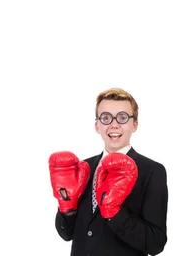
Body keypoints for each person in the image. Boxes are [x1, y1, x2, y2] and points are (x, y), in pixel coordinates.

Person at [48, 87, 168, 256]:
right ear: (97, 125)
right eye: (106, 117)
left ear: (134, 124)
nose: (114, 124)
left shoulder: (152, 171)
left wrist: (115, 212)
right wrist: (67, 207)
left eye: (122, 117)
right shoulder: (83, 168)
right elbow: (67, 234)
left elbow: (156, 243)